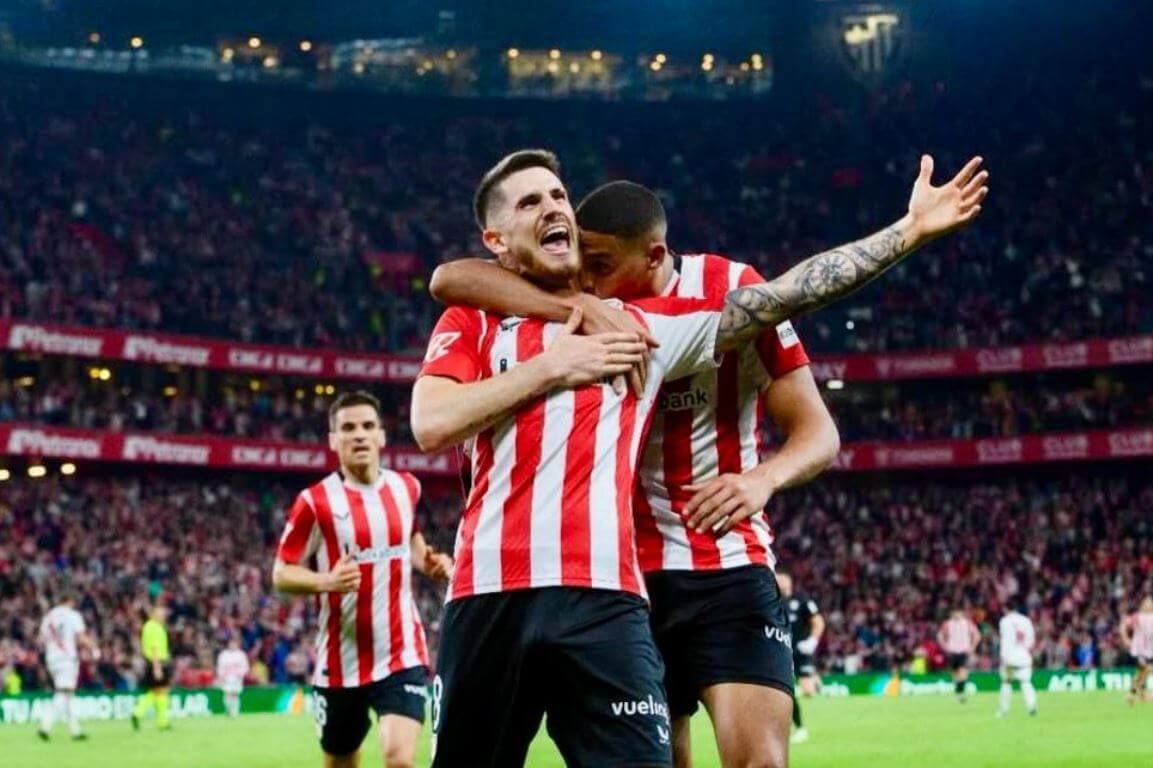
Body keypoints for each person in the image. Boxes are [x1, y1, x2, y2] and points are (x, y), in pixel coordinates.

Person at [411, 148, 988, 767]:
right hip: (495, 591)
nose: (556, 209)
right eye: (533, 201)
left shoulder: (645, 327)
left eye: (558, 197)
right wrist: (557, 357)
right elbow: (437, 372)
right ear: (497, 238)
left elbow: (792, 294)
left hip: (618, 591)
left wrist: (909, 231)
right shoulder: (477, 319)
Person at [429, 179, 844, 768]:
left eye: (598, 265)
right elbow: (450, 279)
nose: (589, 278)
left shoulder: (694, 303)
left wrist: (761, 480)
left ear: (648, 255)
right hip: (627, 574)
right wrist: (572, 312)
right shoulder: (573, 300)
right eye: (532, 204)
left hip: (716, 564)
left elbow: (813, 401)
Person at [273, 390, 453, 768]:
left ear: (382, 436)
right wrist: (327, 581)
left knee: (399, 759)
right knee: (340, 762)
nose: (359, 435)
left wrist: (431, 563)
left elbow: (413, 544)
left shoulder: (406, 488)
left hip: (400, 653)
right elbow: (281, 573)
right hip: (340, 663)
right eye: (348, 428)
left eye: (368, 426)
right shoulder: (315, 502)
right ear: (333, 440)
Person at [37, 594, 98, 741]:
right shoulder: (72, 615)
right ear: (70, 601)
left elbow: (40, 640)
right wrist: (94, 648)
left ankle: (75, 731)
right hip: (66, 658)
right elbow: (80, 637)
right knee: (64, 692)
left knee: (69, 695)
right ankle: (44, 726)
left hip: (51, 659)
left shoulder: (49, 617)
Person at [777, 572, 824, 745]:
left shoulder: (802, 599)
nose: (778, 581)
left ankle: (815, 680)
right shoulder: (773, 601)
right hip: (783, 652)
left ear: (788, 581)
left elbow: (818, 621)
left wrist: (812, 640)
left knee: (808, 692)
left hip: (802, 651)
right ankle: (800, 729)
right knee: (788, 692)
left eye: (780, 578)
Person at [131, 603, 173, 732]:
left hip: (154, 662)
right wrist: (157, 667)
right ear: (154, 615)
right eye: (161, 614)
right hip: (157, 662)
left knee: (159, 691)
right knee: (160, 691)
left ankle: (161, 721)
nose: (163, 616)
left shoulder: (149, 627)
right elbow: (154, 648)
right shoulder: (154, 628)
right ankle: (139, 711)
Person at [997, 606, 1037, 718]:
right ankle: (1031, 706)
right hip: (1024, 656)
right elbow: (1031, 640)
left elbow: (1005, 640)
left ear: (1006, 609)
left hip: (1009, 657)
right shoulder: (1026, 620)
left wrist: (1003, 657)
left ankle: (1003, 710)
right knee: (1025, 682)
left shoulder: (1004, 621)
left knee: (1006, 682)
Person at [938, 609, 981, 702]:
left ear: (961, 613)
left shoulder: (967, 623)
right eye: (954, 613)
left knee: (962, 672)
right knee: (954, 674)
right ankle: (959, 693)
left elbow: (977, 635)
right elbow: (940, 635)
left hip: (963, 651)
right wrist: (945, 646)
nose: (956, 615)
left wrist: (972, 647)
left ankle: (960, 693)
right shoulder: (947, 624)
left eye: (958, 613)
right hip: (952, 651)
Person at [1119, 596, 1153, 705]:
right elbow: (1123, 626)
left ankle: (1136, 694)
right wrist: (1125, 639)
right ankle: (1135, 693)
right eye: (1146, 603)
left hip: (1149, 651)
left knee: (1140, 673)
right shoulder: (1137, 617)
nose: (1148, 605)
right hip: (1138, 651)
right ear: (1142, 606)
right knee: (1147, 669)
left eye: (1150, 603)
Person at [216, 636, 250, 718]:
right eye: (231, 643)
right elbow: (220, 667)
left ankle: (235, 712)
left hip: (237, 678)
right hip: (226, 678)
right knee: (227, 694)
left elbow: (245, 667)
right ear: (228, 644)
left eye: (234, 643)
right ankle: (228, 710)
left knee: (235, 694)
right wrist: (222, 676)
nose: (233, 645)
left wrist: (240, 674)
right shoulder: (223, 655)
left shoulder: (241, 654)